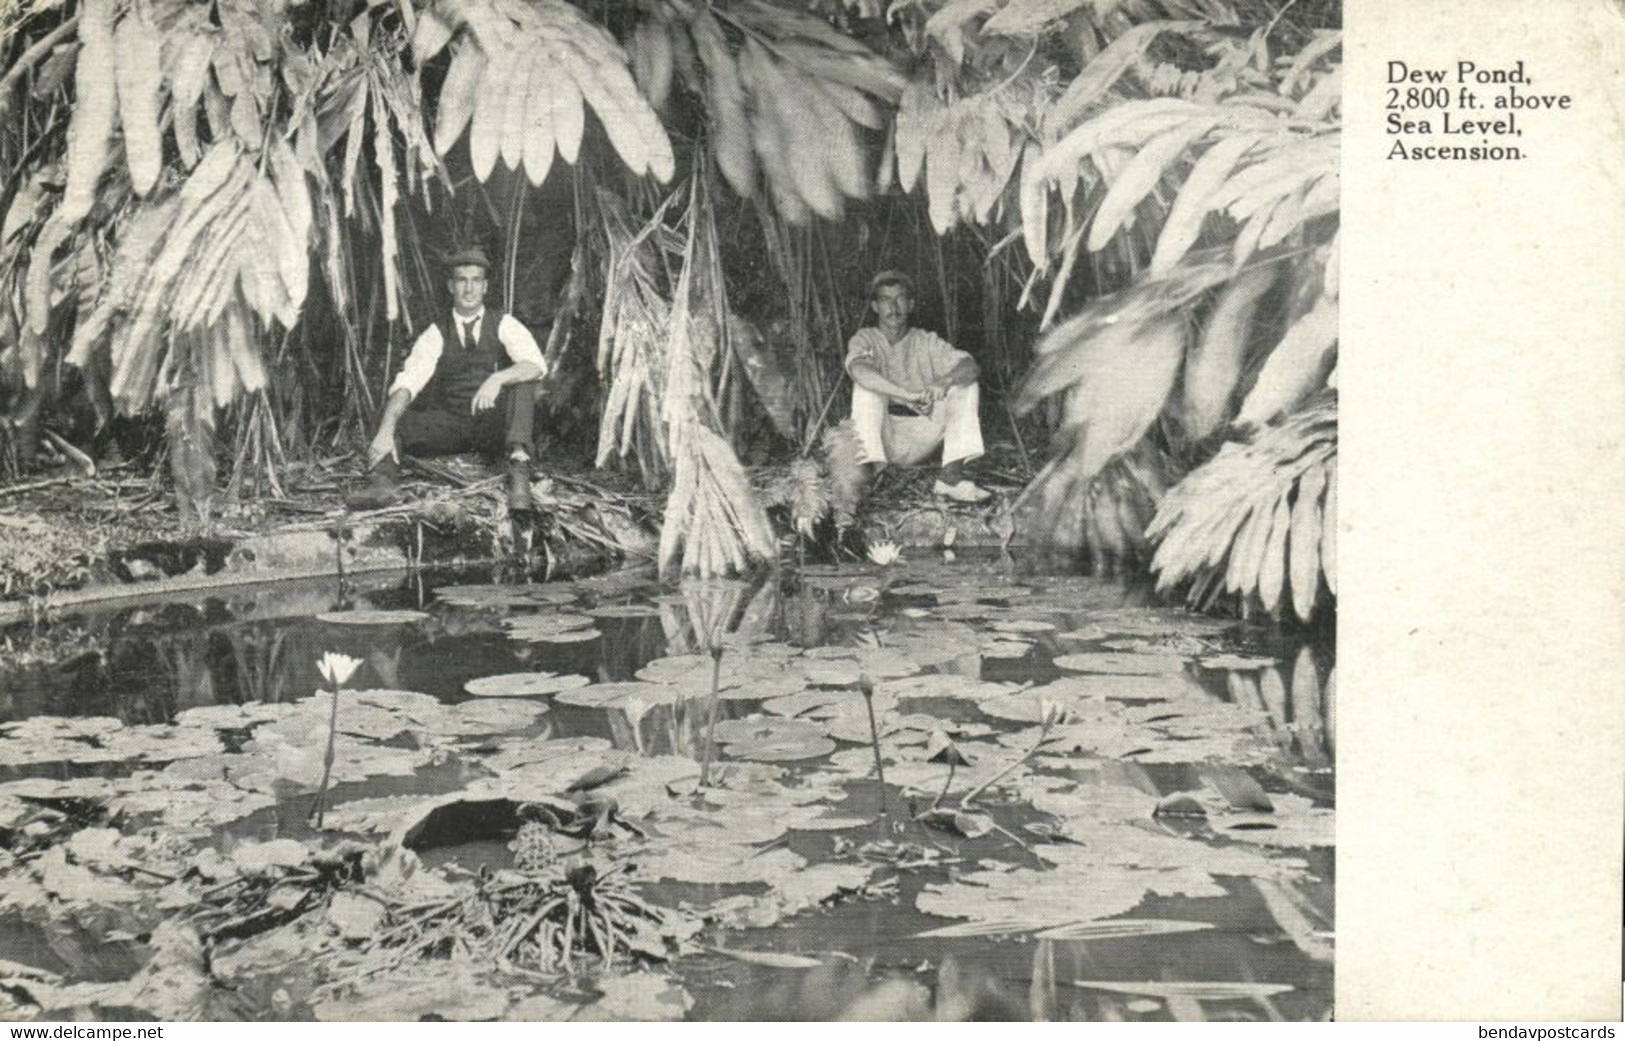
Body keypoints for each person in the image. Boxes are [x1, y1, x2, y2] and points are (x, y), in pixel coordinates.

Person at [348, 247, 548, 511]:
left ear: (485, 287)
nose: (469, 289)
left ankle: (519, 475)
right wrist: (386, 430)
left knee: (524, 383)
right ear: (451, 286)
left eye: (476, 280)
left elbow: (536, 365)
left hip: (494, 426)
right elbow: (408, 383)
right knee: (389, 414)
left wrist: (497, 378)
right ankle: (384, 484)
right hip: (453, 425)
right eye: (462, 280)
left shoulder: (503, 323)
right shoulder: (436, 333)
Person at [845, 270, 991, 503]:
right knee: (866, 389)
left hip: (922, 434)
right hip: (884, 437)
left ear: (911, 304)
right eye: (885, 299)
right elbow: (859, 370)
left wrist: (946, 380)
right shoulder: (865, 339)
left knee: (965, 386)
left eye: (900, 298)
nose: (893, 307)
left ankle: (950, 478)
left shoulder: (926, 341)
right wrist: (905, 396)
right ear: (875, 306)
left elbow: (970, 366)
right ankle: (868, 475)